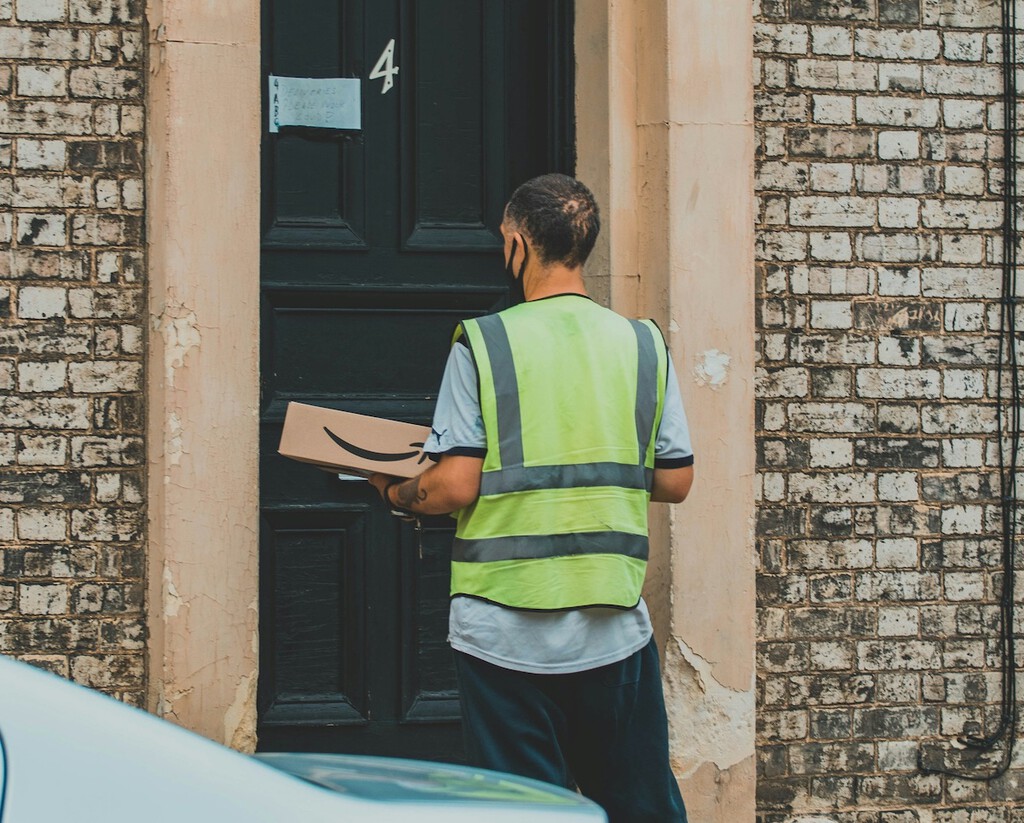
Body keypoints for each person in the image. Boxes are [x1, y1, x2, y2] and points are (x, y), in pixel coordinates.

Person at [369, 173, 693, 823]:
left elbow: (454, 483)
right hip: (611, 627)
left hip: (504, 633)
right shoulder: (642, 343)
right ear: (583, 246)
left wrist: (400, 491)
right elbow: (676, 478)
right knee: (640, 806)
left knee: (522, 811)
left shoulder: (486, 342)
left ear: (517, 244)